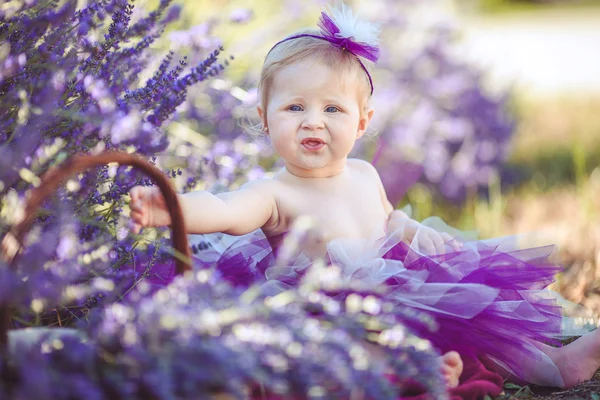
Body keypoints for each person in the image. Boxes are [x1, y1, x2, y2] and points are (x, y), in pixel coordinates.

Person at [129, 2, 600, 393]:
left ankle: (555, 365)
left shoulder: (363, 172)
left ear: (360, 121)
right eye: (295, 107)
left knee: (477, 314)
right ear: (265, 118)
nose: (313, 121)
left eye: (332, 108)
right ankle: (420, 376)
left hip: (404, 289)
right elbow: (225, 210)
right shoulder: (273, 193)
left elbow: (388, 216)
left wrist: (413, 232)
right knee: (356, 344)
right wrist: (168, 207)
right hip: (332, 309)